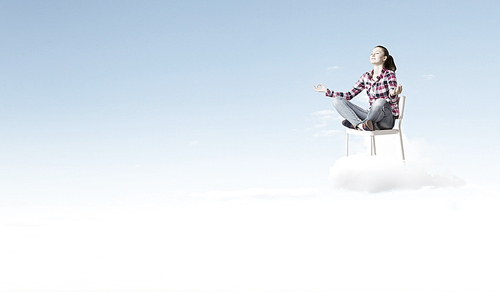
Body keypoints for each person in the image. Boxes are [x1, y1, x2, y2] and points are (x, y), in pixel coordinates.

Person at [313, 45, 403, 131]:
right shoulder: (366, 76)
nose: (373, 55)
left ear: (384, 58)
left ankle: (358, 124)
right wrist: (327, 91)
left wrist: (393, 94)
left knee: (380, 101)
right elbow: (349, 95)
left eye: (377, 53)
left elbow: (393, 98)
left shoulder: (389, 74)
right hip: (370, 119)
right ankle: (361, 125)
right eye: (372, 53)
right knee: (337, 100)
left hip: (385, 120)